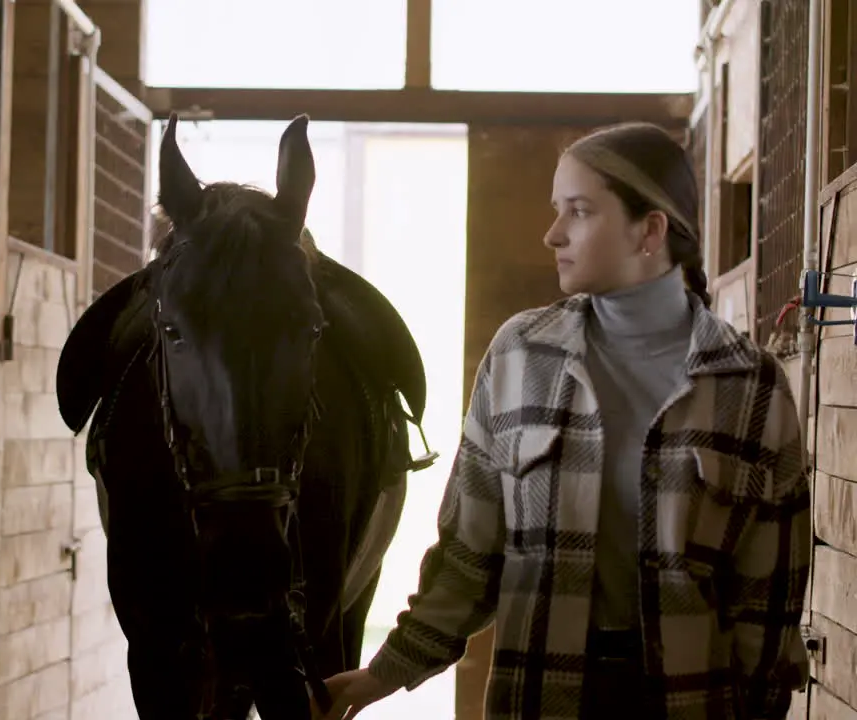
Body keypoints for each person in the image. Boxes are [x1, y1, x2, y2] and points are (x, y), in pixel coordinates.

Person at [315, 122, 811, 719]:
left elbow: (768, 606)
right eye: (558, 210)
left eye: (579, 211)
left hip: (692, 704)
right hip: (538, 699)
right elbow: (469, 557)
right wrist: (380, 676)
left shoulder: (749, 385)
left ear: (650, 230)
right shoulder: (521, 354)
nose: (553, 234)